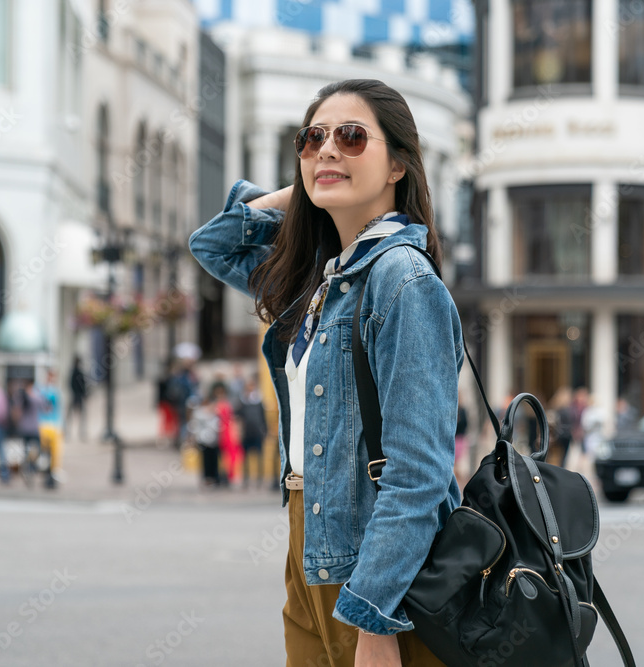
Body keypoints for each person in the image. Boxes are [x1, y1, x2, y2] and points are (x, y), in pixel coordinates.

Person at [190, 79, 459, 666]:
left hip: (375, 573)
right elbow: (212, 244)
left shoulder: (403, 281)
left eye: (353, 137)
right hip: (307, 546)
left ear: (399, 166)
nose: (327, 148)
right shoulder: (320, 281)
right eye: (312, 138)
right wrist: (312, 187)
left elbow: (419, 472)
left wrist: (374, 618)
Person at [11, 378, 47, 488]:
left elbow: (15, 411)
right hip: (33, 428)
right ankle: (30, 469)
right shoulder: (34, 397)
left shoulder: (21, 397)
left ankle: (28, 469)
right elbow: (45, 407)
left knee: (27, 451)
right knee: (37, 450)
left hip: (25, 428)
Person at [236, 373, 268, 488]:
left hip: (257, 432)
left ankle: (259, 479)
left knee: (259, 458)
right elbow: (238, 417)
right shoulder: (243, 401)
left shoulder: (258, 401)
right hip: (246, 433)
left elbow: (263, 417)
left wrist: (265, 430)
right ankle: (246, 479)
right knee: (245, 458)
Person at [188, 387, 221, 487]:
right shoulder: (199, 414)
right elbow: (194, 426)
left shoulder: (214, 413)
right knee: (205, 461)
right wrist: (194, 437)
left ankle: (214, 478)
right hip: (203, 440)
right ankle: (206, 478)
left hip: (214, 440)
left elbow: (218, 426)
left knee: (214, 460)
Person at [37, 370, 63, 489]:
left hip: (54, 423)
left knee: (55, 450)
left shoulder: (55, 391)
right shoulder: (41, 390)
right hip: (43, 423)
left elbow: (58, 408)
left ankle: (53, 470)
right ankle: (45, 469)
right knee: (43, 449)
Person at [67, 356, 88, 442]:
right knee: (79, 416)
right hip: (77, 396)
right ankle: (79, 433)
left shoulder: (73, 372)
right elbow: (82, 385)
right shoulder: (78, 373)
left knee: (72, 416)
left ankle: (72, 433)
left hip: (75, 395)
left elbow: (71, 384)